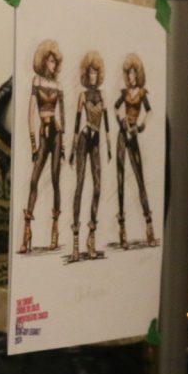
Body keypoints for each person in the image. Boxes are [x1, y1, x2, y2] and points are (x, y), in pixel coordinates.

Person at [20, 40, 65, 254]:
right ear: (43, 61)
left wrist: (63, 144)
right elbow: (30, 114)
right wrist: (32, 143)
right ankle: (26, 230)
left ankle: (55, 228)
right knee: (34, 180)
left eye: (55, 62)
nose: (52, 65)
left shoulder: (59, 86)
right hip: (43, 134)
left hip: (56, 134)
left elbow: (62, 115)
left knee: (55, 179)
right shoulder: (36, 81)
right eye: (49, 61)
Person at [67, 51, 112, 260]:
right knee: (80, 185)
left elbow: (107, 123)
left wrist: (109, 145)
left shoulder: (103, 96)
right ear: (86, 75)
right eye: (90, 73)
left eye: (95, 73)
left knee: (98, 186)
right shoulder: (82, 96)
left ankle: (91, 235)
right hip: (84, 139)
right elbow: (77, 123)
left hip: (96, 140)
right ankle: (76, 240)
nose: (93, 76)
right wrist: (72, 149)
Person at [113, 53, 156, 248]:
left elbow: (150, 111)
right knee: (120, 179)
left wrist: (141, 127)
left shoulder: (141, 93)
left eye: (133, 74)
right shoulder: (124, 93)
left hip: (133, 134)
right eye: (128, 74)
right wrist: (120, 121)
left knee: (140, 178)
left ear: (137, 75)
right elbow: (115, 108)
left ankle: (149, 225)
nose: (130, 77)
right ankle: (122, 229)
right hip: (123, 135)